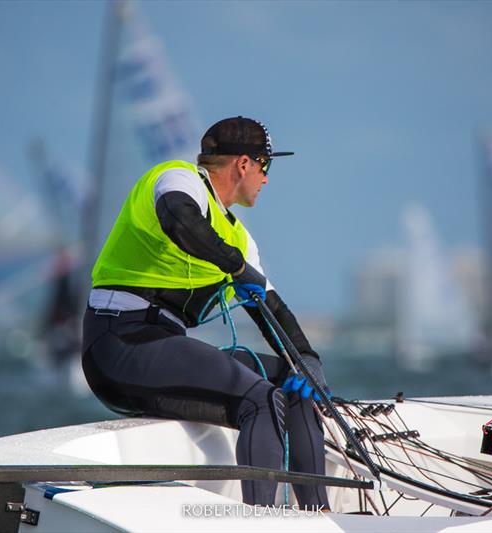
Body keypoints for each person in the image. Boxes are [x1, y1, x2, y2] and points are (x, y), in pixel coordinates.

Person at [81, 116, 330, 508]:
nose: (266, 179)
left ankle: (320, 515)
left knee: (292, 383)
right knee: (259, 398)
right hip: (118, 343)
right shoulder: (177, 180)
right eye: (265, 166)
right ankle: (259, 521)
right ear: (243, 164)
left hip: (163, 345)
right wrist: (234, 267)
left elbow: (272, 310)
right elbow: (181, 221)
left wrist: (308, 359)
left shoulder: (240, 238)